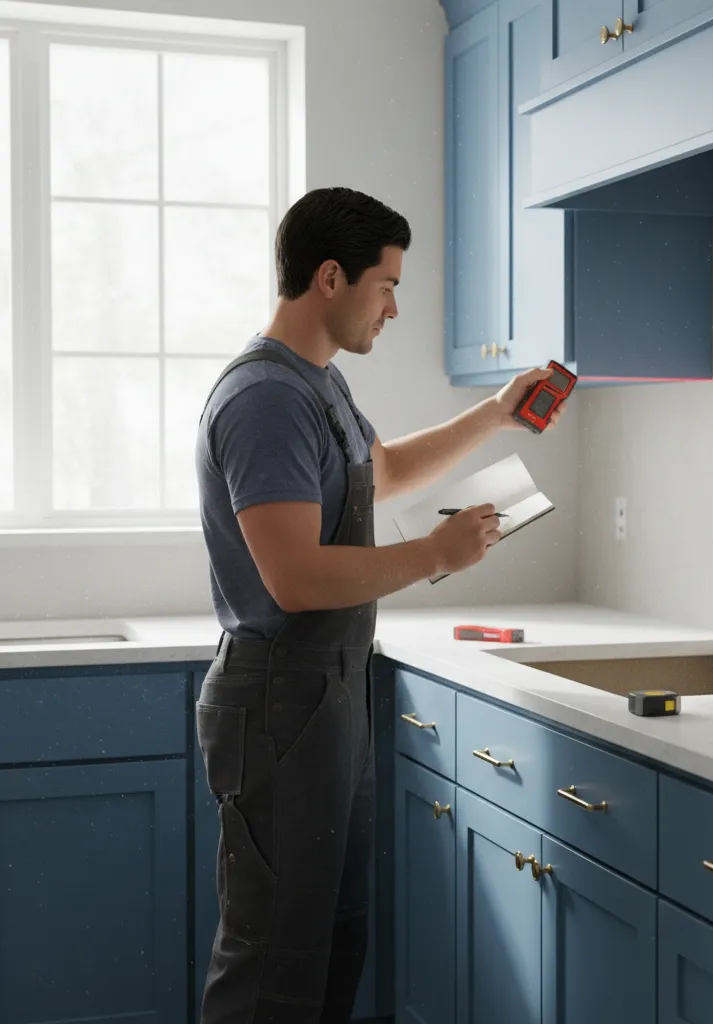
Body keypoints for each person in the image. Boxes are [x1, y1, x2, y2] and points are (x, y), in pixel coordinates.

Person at [192, 186, 560, 1022]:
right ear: (330, 278)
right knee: (273, 962)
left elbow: (381, 471)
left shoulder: (317, 384)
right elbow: (295, 578)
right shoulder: (265, 398)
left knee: (330, 944)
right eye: (386, 285)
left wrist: (496, 415)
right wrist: (435, 554)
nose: (394, 308)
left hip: (325, 692)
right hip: (281, 698)